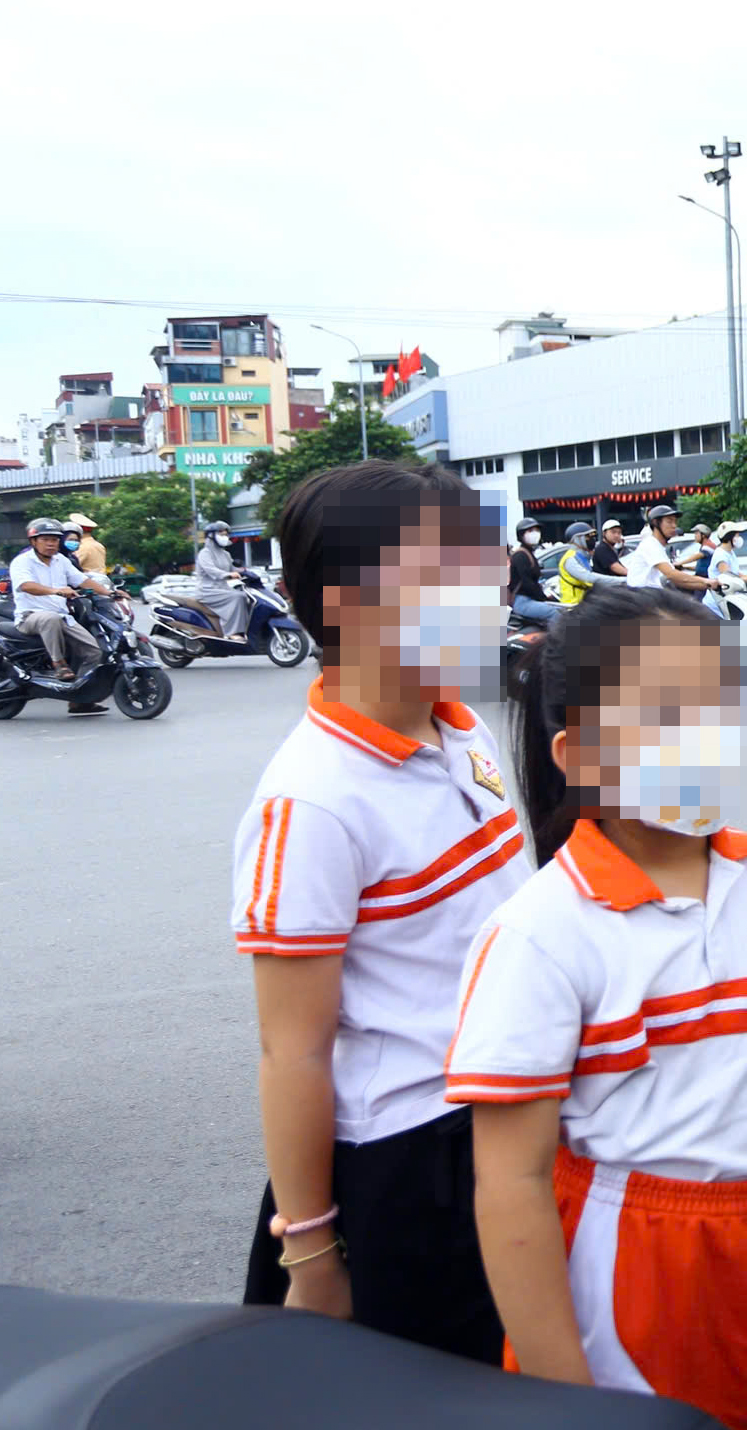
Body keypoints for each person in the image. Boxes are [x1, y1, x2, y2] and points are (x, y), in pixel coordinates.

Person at [449, 586, 747, 1426]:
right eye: (669, 715)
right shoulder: (542, 933)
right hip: (633, 1265)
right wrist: (560, 1392)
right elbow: (511, 1181)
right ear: (579, 755)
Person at [234, 459, 525, 1361]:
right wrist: (312, 1254)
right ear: (349, 604)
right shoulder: (311, 801)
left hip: (507, 1116)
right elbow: (292, 1051)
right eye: (446, 574)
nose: (487, 593)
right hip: (409, 1163)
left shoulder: (458, 726)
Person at [9, 518, 109, 701]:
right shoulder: (22, 562)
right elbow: (26, 585)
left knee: (94, 652)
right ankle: (59, 664)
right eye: (45, 539)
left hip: (63, 617)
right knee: (50, 618)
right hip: (29, 617)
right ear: (34, 542)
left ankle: (78, 697)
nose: (50, 544)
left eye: (54, 540)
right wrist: (56, 590)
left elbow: (82, 580)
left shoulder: (61, 560)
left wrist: (110, 592)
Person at [625, 505, 714, 598]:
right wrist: (706, 581)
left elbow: (677, 580)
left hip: (652, 596)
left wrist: (709, 585)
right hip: (642, 598)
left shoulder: (658, 546)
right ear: (656, 523)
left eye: (675, 522)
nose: (674, 526)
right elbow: (671, 574)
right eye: (669, 521)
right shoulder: (650, 544)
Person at [196, 520, 252, 638]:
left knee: (247, 597)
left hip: (223, 589)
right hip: (208, 591)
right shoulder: (205, 553)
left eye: (226, 534)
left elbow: (232, 568)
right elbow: (211, 570)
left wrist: (245, 571)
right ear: (211, 536)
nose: (225, 537)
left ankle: (247, 630)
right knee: (238, 597)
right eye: (221, 534)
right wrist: (229, 575)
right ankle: (232, 633)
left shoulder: (225, 554)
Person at [505, 517, 562, 625]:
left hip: (529, 599)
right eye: (530, 531)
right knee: (555, 614)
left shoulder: (529, 553)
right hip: (523, 601)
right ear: (521, 535)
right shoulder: (520, 555)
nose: (535, 534)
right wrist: (542, 597)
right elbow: (527, 583)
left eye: (537, 530)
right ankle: (558, 636)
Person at [556, 521, 623, 607]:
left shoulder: (582, 556)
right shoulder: (570, 559)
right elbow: (589, 578)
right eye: (588, 537)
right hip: (572, 606)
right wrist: (622, 581)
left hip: (584, 604)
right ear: (577, 539)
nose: (592, 540)